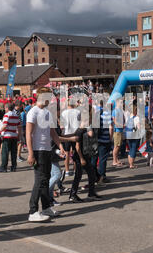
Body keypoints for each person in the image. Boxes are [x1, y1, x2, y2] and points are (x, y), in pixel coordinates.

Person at [26, 87, 66, 222]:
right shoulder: (33, 112)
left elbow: (53, 132)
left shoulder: (48, 113)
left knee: (46, 179)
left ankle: (46, 207)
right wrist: (31, 153)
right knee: (40, 180)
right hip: (38, 150)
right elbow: (28, 134)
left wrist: (60, 146)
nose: (51, 100)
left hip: (47, 150)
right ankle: (33, 211)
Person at [69, 109, 103, 203]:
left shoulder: (83, 130)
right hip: (80, 157)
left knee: (91, 174)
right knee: (78, 176)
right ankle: (73, 195)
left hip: (84, 156)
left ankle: (91, 193)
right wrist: (81, 158)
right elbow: (77, 147)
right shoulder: (80, 131)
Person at [0, 103, 21, 173]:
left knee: (5, 152)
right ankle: (14, 166)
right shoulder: (16, 115)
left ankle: (3, 167)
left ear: (7, 108)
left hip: (7, 135)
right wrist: (18, 134)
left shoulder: (6, 115)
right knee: (13, 152)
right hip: (14, 135)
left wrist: (0, 131)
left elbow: (4, 125)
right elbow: (19, 126)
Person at [60, 100, 81, 177]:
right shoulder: (78, 112)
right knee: (76, 152)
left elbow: (61, 126)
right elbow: (80, 122)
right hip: (75, 133)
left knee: (67, 153)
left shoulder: (64, 113)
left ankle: (67, 170)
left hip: (66, 134)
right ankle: (75, 170)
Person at [97, 100, 112, 184]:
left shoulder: (94, 112)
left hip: (95, 139)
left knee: (94, 159)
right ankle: (102, 177)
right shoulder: (107, 113)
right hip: (105, 139)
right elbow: (111, 127)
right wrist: (110, 138)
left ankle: (94, 177)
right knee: (102, 159)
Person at [125, 104, 141, 169]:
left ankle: (130, 163)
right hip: (134, 135)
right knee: (133, 149)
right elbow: (139, 127)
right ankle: (132, 164)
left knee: (130, 149)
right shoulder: (137, 118)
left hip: (128, 134)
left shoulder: (128, 117)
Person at [111, 98, 125, 167]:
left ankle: (116, 159)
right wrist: (121, 125)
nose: (122, 103)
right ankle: (114, 161)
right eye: (121, 102)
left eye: (122, 102)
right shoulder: (115, 111)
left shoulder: (120, 110)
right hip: (117, 131)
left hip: (121, 130)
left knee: (118, 146)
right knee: (116, 146)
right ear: (117, 103)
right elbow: (114, 121)